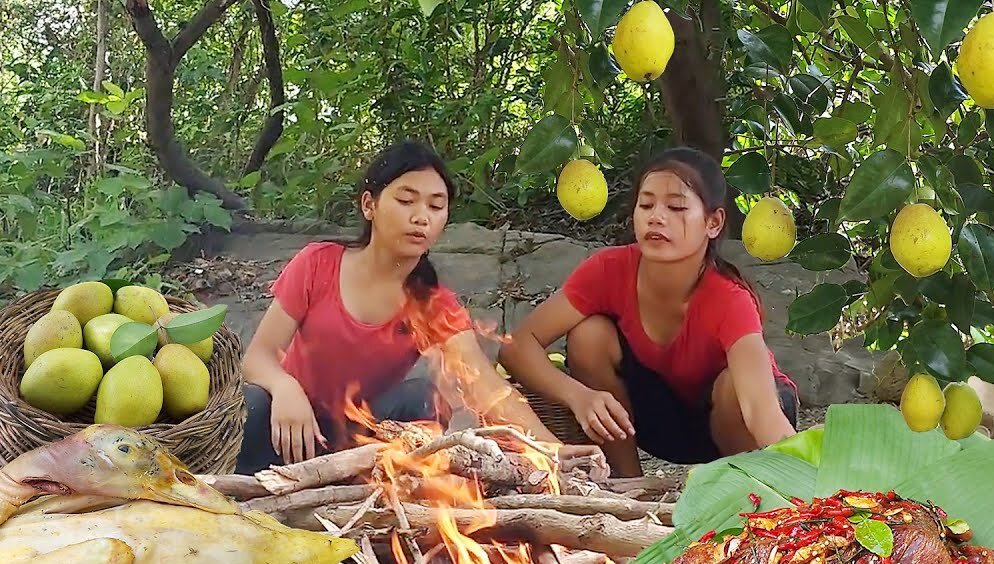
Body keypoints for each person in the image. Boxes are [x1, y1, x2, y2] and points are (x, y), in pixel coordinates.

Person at [235, 140, 602, 474]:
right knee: (252, 402)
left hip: (363, 444)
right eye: (406, 200)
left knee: (423, 400)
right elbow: (258, 357)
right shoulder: (318, 264)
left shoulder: (431, 303)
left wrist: (550, 450)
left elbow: (487, 387)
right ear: (369, 205)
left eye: (435, 205)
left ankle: (381, 506)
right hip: (290, 429)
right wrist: (285, 387)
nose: (421, 216)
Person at [497, 146, 798, 477]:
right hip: (654, 420)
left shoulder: (730, 299)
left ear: (713, 223)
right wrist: (579, 396)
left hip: (736, 427)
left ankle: (749, 493)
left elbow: (761, 412)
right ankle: (627, 488)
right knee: (589, 334)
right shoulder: (607, 270)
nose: (657, 217)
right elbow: (517, 345)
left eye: (676, 207)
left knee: (731, 389)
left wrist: (803, 478)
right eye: (646, 204)